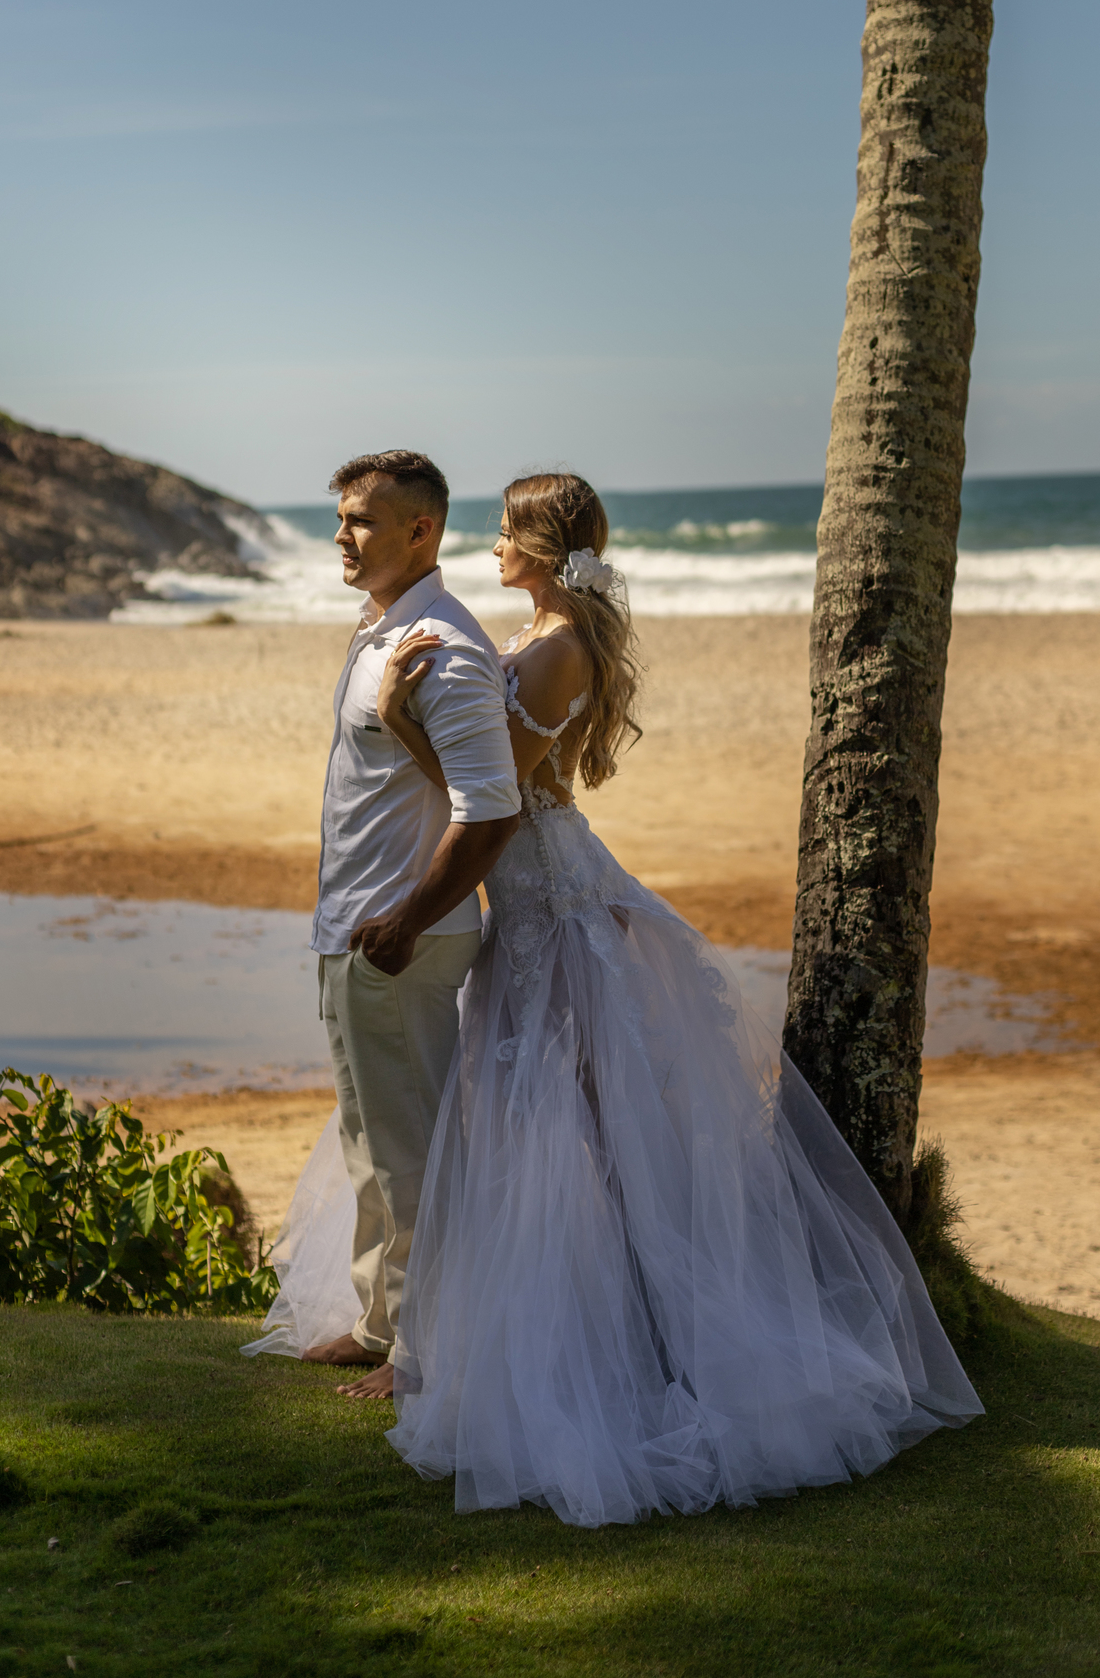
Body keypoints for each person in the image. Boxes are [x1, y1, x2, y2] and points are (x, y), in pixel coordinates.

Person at [253, 469, 983, 1527]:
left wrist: (408, 719)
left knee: (563, 1135)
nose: (493, 548)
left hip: (552, 907)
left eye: (507, 535)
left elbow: (493, 804)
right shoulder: (544, 641)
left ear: (543, 554)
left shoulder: (550, 654)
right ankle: (485, 1331)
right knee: (538, 1135)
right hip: (534, 906)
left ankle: (545, 1345)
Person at [241, 450, 520, 1398]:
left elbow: (492, 814)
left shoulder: (446, 647)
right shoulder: (381, 632)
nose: (343, 535)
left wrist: (406, 918)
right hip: (353, 931)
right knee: (370, 1145)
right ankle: (378, 1323)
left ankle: (425, 1354)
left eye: (363, 519)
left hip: (404, 937)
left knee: (413, 1157)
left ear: (421, 531)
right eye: (342, 518)